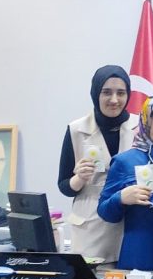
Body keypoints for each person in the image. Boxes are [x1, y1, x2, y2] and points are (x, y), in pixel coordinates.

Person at [57, 65, 137, 260]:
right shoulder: (76, 129)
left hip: (131, 223)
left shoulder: (140, 127)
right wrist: (79, 178)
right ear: (95, 93)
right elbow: (64, 186)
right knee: (92, 278)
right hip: (90, 228)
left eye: (121, 93)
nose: (114, 100)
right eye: (106, 92)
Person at [98, 96, 153, 271]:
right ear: (145, 120)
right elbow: (105, 212)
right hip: (139, 255)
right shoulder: (124, 161)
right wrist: (121, 198)